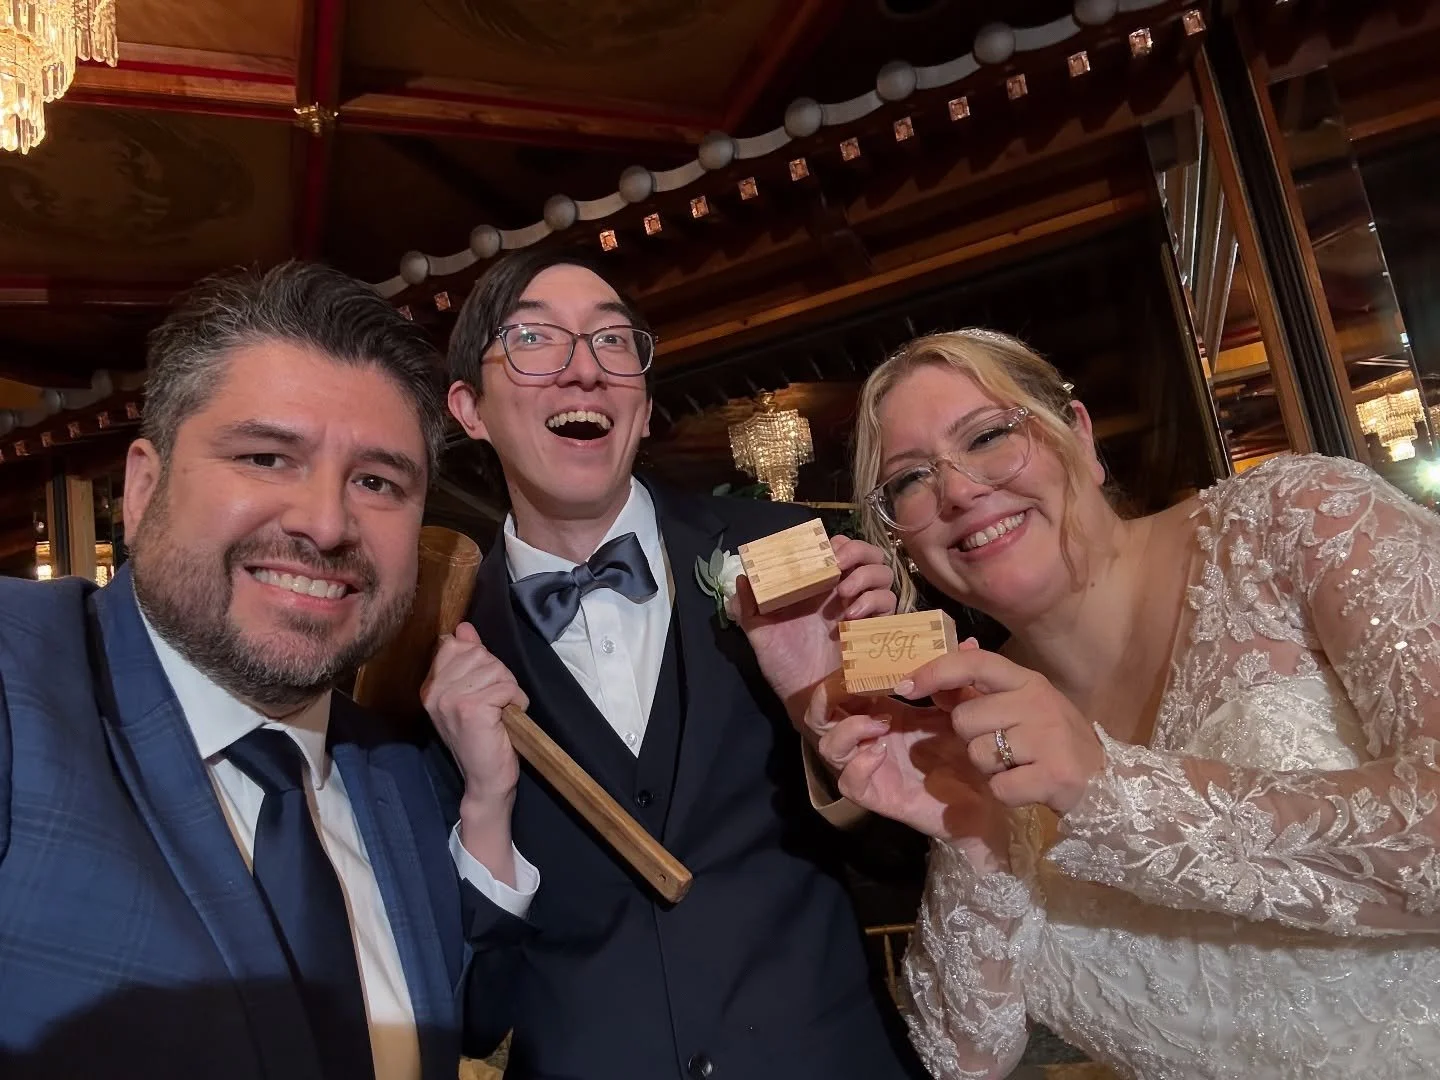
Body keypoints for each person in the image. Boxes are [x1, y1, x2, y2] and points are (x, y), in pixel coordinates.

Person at [810, 327, 1440, 1079]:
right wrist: (971, 836)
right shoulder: (974, 721)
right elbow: (963, 1058)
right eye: (910, 480)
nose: (957, 490)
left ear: (1078, 436)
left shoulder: (1300, 522)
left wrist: (1106, 790)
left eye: (988, 436)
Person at [0, 263, 517, 1080]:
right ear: (143, 488)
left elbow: (478, 1013)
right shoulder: (20, 676)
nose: (325, 523)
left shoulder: (401, 776)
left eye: (376, 481)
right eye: (268, 457)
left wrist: (488, 801)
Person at [425, 247, 927, 1080]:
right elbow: (474, 1015)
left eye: (612, 341)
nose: (584, 369)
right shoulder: (440, 648)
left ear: (646, 404)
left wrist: (836, 728)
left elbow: (906, 866)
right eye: (534, 339)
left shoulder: (787, 554)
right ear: (469, 408)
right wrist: (486, 805)